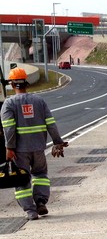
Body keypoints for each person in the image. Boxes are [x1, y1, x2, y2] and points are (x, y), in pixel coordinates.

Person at [1, 67, 68, 220]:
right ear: (26, 83)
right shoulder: (39, 101)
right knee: (41, 175)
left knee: (22, 179)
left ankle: (31, 212)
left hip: (19, 150)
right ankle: (41, 202)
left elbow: (9, 128)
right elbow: (51, 124)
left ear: (11, 84)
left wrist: (9, 148)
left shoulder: (9, 104)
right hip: (38, 148)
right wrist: (58, 142)